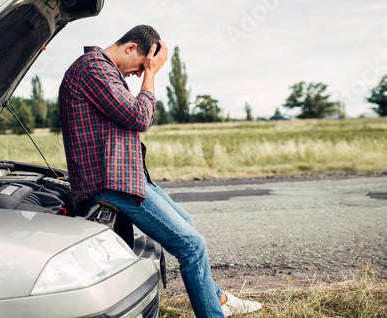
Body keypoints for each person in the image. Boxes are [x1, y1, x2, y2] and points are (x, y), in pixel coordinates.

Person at [59, 25, 262, 317]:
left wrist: (147, 70)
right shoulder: (94, 68)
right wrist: (152, 75)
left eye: (144, 71)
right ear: (130, 48)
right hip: (112, 183)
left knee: (186, 222)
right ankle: (213, 311)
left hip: (127, 178)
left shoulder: (102, 70)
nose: (139, 74)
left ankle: (217, 300)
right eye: (141, 65)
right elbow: (139, 116)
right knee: (192, 246)